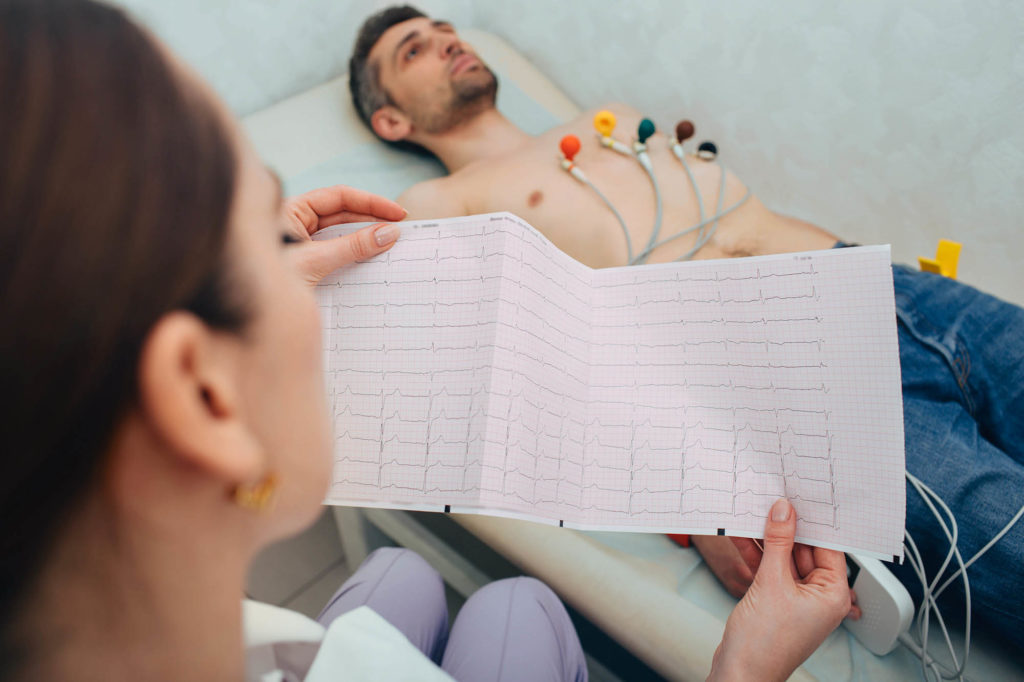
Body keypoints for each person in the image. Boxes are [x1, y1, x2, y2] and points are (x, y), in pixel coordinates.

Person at [0, 1, 855, 680]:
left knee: (437, 588)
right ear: (204, 398)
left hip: (858, 283)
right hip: (780, 365)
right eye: (266, 237)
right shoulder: (446, 210)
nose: (309, 265)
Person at [347, 5, 1024, 650]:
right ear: (391, 119)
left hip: (886, 285)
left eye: (445, 28)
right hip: (794, 377)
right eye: (414, 50)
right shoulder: (439, 204)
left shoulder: (610, 119)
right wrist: (697, 499)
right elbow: (531, 372)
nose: (447, 41)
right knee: (1010, 539)